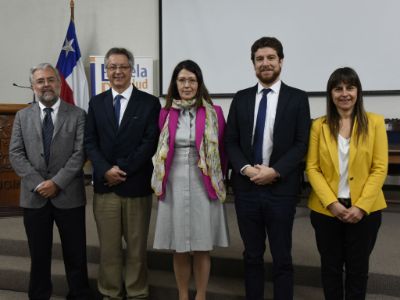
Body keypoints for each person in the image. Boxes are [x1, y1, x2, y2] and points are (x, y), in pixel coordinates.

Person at [225, 37, 311, 300]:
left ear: (281, 61)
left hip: (281, 190)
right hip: (247, 189)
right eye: (260, 59)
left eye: (271, 58)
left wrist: (274, 172)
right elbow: (231, 141)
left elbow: (301, 144)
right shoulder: (240, 98)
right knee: (251, 255)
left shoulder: (297, 98)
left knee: (282, 256)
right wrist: (247, 170)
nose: (265, 63)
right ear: (253, 65)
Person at [9, 63, 91, 300]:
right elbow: (15, 153)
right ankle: (39, 295)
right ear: (33, 86)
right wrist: (38, 183)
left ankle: (79, 294)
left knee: (75, 253)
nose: (46, 85)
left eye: (50, 79)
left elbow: (80, 153)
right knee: (39, 254)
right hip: (34, 197)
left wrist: (56, 183)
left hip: (69, 195)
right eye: (40, 81)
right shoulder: (22, 116)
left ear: (58, 82)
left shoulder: (77, 115)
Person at [84, 48, 161, 299]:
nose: (118, 71)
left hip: (135, 184)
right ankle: (110, 291)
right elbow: (90, 142)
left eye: (123, 67)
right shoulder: (96, 103)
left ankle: (137, 292)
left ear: (132, 69)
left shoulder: (149, 103)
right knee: (109, 248)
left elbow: (150, 142)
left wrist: (123, 169)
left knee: (137, 248)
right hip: (105, 187)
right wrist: (105, 169)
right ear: (106, 71)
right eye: (112, 67)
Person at [306, 67, 388, 300]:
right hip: (326, 210)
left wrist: (361, 206)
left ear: (358, 92)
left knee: (358, 270)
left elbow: (379, 168)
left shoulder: (375, 122)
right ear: (330, 94)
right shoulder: (318, 126)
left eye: (350, 87)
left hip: (366, 211)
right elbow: (312, 168)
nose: (344, 93)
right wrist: (332, 203)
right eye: (338, 88)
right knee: (330, 269)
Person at [152, 60, 229, 300]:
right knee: (179, 246)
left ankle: (201, 295)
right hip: (174, 179)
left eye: (192, 80)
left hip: (203, 182)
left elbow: (223, 152)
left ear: (199, 83)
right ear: (175, 84)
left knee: (202, 245)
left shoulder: (214, 112)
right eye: (182, 80)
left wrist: (220, 181)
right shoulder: (165, 112)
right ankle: (183, 295)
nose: (187, 85)